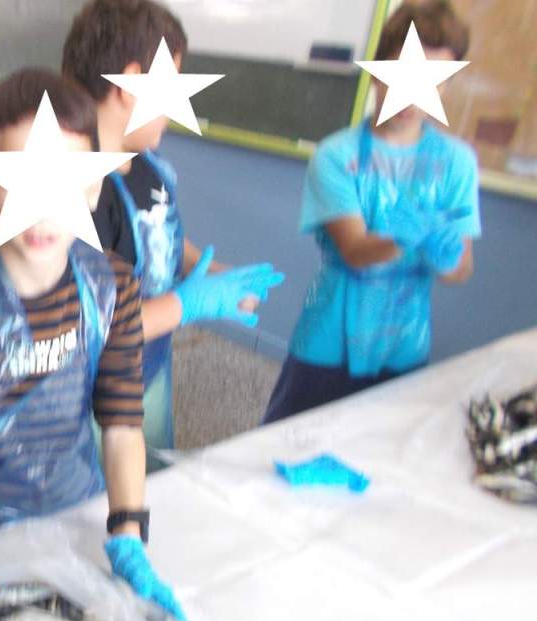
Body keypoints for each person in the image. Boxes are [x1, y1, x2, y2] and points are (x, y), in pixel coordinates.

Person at [0, 69, 187, 621]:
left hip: (76, 523)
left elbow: (122, 426)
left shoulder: (113, 288)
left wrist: (127, 535)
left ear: (94, 184)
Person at [63, 0, 284, 467]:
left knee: (154, 468)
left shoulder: (148, 167)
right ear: (130, 84)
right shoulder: (77, 193)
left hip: (150, 365)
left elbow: (161, 237)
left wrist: (214, 274)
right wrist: (191, 304)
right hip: (92, 394)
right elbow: (88, 327)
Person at [263, 0, 480, 423]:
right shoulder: (336, 156)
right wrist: (401, 238)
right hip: (329, 342)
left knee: (380, 450)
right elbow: (355, 251)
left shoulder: (456, 164)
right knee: (290, 440)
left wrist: (447, 255)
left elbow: (462, 269)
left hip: (403, 345)